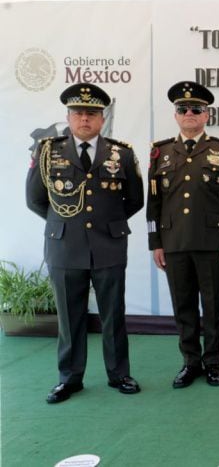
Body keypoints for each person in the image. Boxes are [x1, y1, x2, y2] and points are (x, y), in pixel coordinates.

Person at [26, 82, 144, 403]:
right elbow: (36, 200)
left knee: (113, 315)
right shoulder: (48, 151)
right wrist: (67, 223)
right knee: (69, 316)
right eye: (78, 113)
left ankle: (119, 374)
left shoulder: (121, 153)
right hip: (65, 245)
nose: (85, 119)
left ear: (102, 119)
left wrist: (106, 224)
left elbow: (134, 199)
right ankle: (70, 378)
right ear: (68, 116)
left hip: (108, 244)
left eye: (92, 113)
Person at [146, 81, 219, 389]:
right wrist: (155, 243)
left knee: (213, 305)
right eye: (182, 109)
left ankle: (213, 363)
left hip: (213, 244)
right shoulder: (159, 152)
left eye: (196, 109)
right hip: (173, 243)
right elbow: (154, 203)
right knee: (183, 304)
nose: (189, 113)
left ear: (207, 115)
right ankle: (190, 361)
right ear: (176, 115)